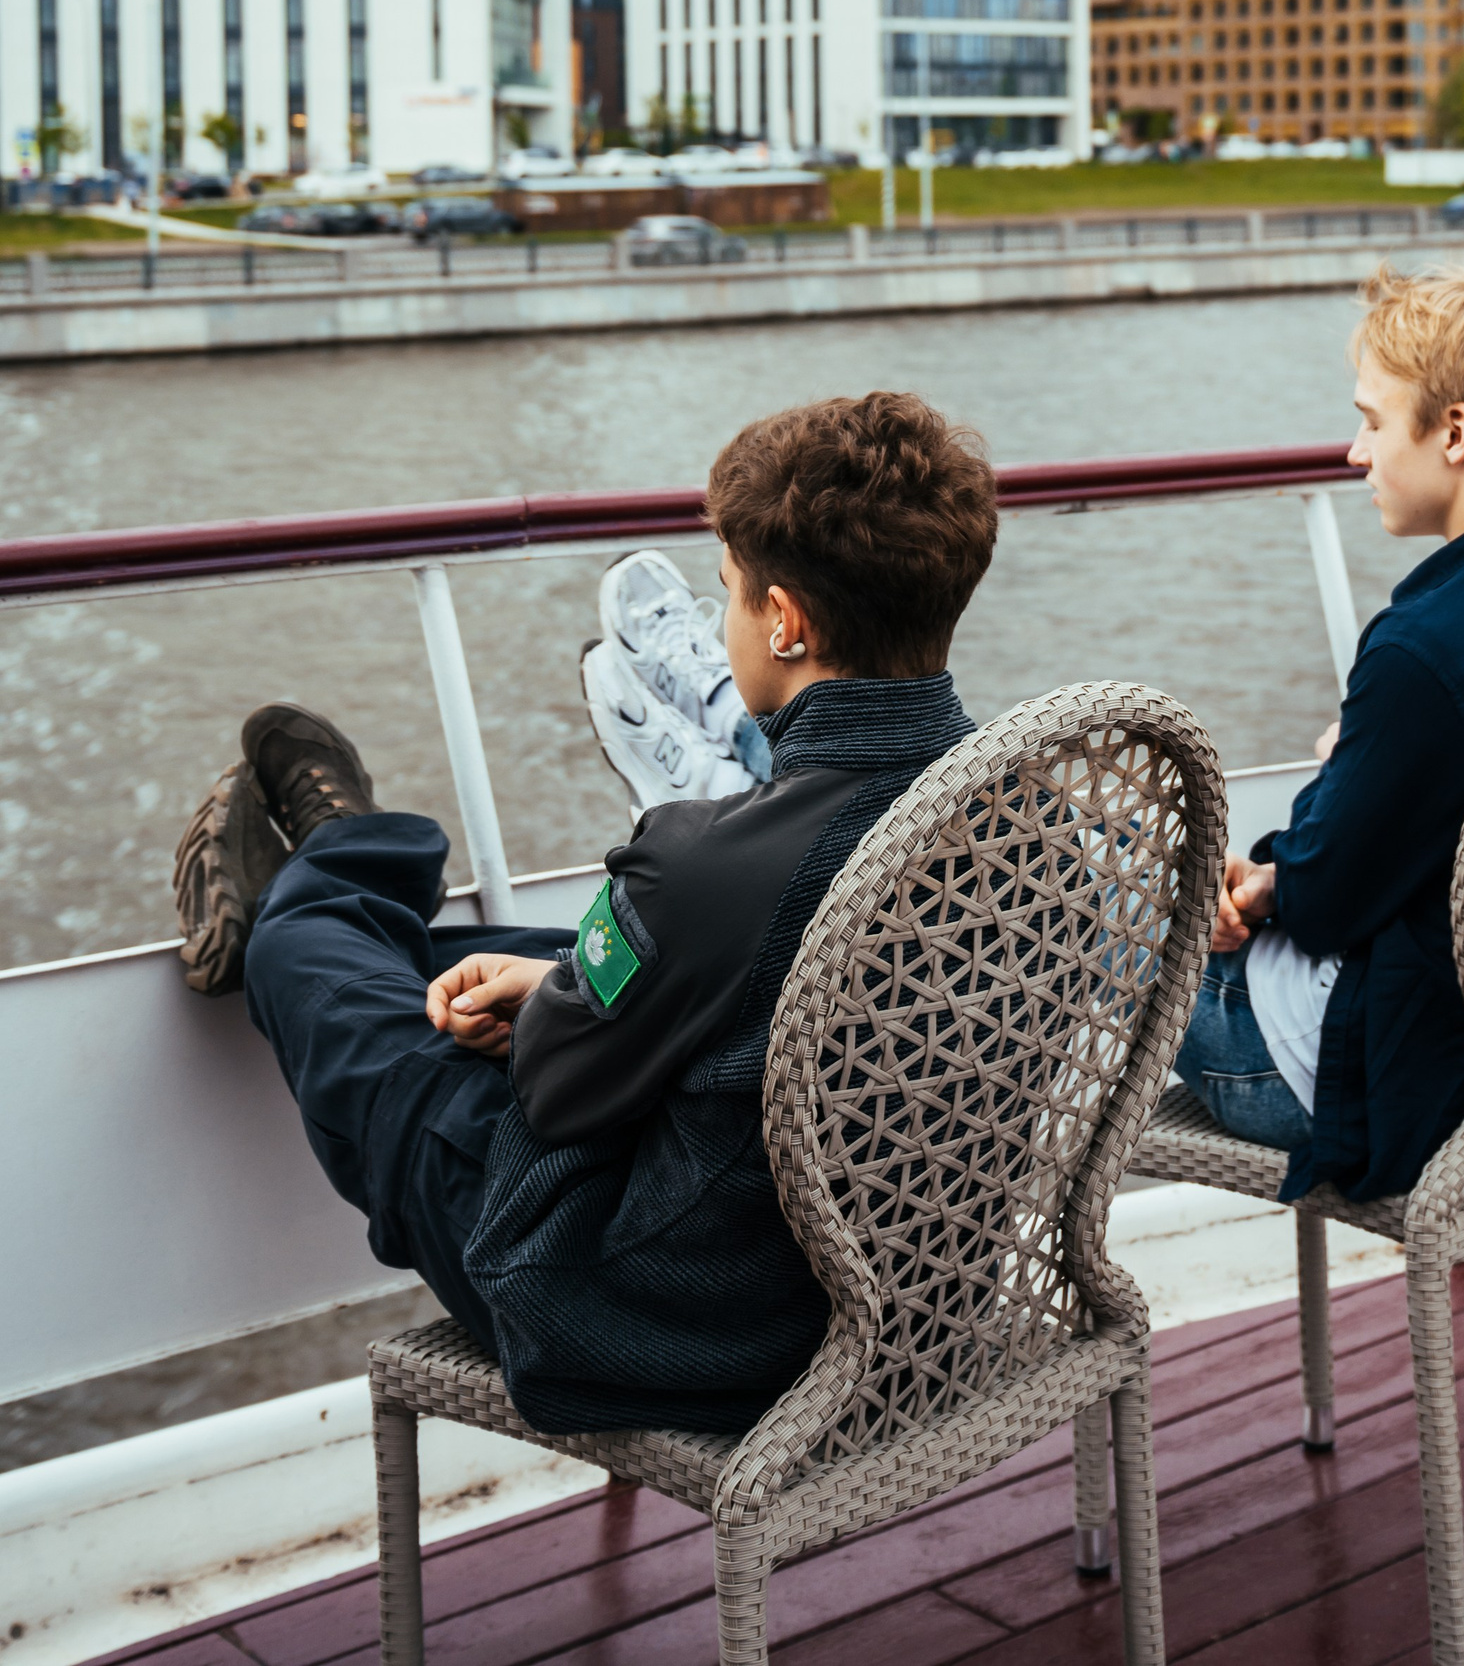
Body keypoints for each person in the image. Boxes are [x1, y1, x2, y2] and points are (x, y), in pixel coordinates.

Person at [170, 391, 996, 1435]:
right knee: (500, 959)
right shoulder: (1026, 809)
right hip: (923, 1305)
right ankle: (363, 882)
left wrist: (561, 1010)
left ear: (785, 621)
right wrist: (566, 984)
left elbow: (557, 1090)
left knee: (306, 957)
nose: (728, 621)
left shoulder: (702, 862)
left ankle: (335, 862)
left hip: (663, 1323)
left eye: (730, 594)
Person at [1174, 255, 1464, 1205]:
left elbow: (1329, 905)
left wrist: (1276, 868)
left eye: (1373, 422)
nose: (1356, 453)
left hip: (1382, 1087)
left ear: (1455, 433)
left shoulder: (1423, 652)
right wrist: (1303, 848)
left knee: (1070, 889)